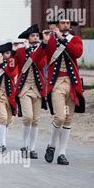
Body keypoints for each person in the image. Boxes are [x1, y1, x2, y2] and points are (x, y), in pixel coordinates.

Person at [41, 19, 84, 165]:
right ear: (58, 25)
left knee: (68, 119)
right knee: (59, 117)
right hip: (57, 83)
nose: (65, 25)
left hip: (72, 85)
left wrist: (61, 39)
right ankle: (51, 146)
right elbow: (41, 57)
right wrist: (45, 42)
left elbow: (77, 53)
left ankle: (62, 153)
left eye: (67, 23)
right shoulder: (51, 40)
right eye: (62, 23)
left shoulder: (76, 39)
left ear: (70, 26)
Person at [12, 24, 47, 159]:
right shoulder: (21, 51)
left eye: (37, 35)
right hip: (24, 88)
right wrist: (14, 52)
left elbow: (41, 63)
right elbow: (12, 67)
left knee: (36, 120)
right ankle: (25, 145)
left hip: (38, 88)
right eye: (33, 35)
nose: (35, 37)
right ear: (27, 38)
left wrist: (35, 50)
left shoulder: (43, 50)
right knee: (28, 117)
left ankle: (32, 148)